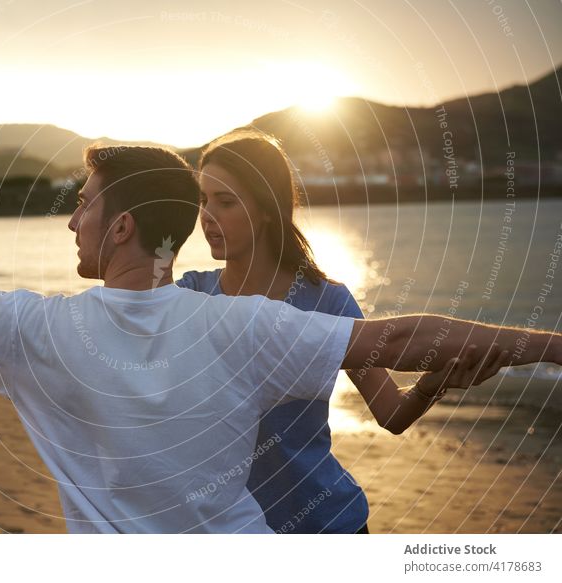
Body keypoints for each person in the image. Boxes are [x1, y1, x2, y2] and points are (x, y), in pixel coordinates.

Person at [0, 145, 558, 533]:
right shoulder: (214, 307)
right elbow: (405, 334)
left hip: (320, 523)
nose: (67, 217)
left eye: (81, 203)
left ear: (118, 226)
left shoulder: (300, 305)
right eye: (203, 202)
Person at [177, 129, 495, 533]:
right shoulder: (191, 296)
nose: (207, 215)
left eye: (225, 202)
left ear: (266, 209)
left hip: (329, 526)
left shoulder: (327, 300)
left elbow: (391, 414)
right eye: (203, 200)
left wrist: (433, 384)